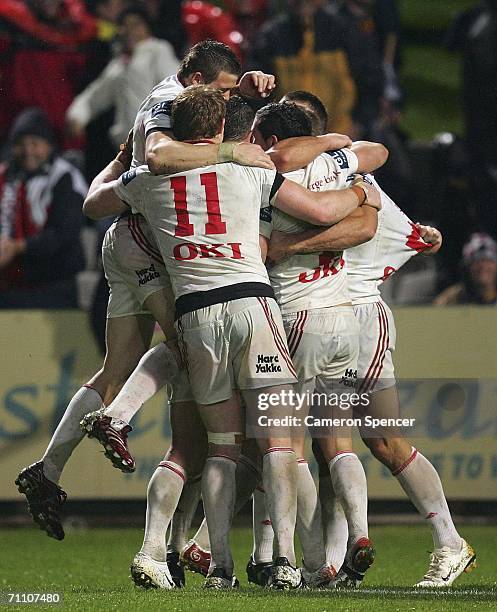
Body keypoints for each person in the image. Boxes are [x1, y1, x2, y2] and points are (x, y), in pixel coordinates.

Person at [82, 84, 376, 589]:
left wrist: (130, 160)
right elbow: (323, 213)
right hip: (253, 308)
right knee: (278, 443)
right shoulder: (253, 167)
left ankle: (220, 568)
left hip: (195, 316)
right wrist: (358, 194)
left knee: (219, 447)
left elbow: (92, 204)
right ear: (222, 129)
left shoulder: (144, 180)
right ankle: (285, 560)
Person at [266, 91, 476, 588]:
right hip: (331, 317)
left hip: (362, 320)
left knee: (381, 439)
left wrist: (423, 235)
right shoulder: (335, 174)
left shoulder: (345, 178)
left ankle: (449, 541)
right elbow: (415, 233)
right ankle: (335, 564)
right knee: (326, 446)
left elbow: (403, 232)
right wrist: (424, 235)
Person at [252, 101, 386, 587]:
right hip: (343, 318)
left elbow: (263, 250)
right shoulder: (335, 165)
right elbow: (371, 192)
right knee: (339, 442)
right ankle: (361, 533)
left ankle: (301, 562)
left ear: (273, 140)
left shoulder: (270, 181)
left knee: (288, 446)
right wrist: (339, 147)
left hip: (297, 316)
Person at [0, 108, 86, 308]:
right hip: (11, 281)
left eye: (35, 143)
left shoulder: (65, 177)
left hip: (54, 282)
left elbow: (65, 233)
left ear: (49, 145)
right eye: (21, 144)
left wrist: (18, 247)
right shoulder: (6, 176)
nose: (28, 151)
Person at [66, 5, 179, 148]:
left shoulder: (158, 51)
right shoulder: (119, 64)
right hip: (129, 147)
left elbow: (177, 87)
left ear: (148, 28)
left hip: (158, 142)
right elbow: (95, 95)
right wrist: (77, 116)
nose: (129, 30)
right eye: (124, 25)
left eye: (135, 24)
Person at [248, 0, 356, 134]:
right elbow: (257, 89)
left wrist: (361, 121)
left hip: (340, 131)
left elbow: (366, 77)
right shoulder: (272, 35)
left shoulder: (342, 30)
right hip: (288, 134)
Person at [434, 233, 497, 306]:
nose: (483, 266)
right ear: (467, 267)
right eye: (476, 261)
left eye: (489, 260)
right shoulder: (451, 298)